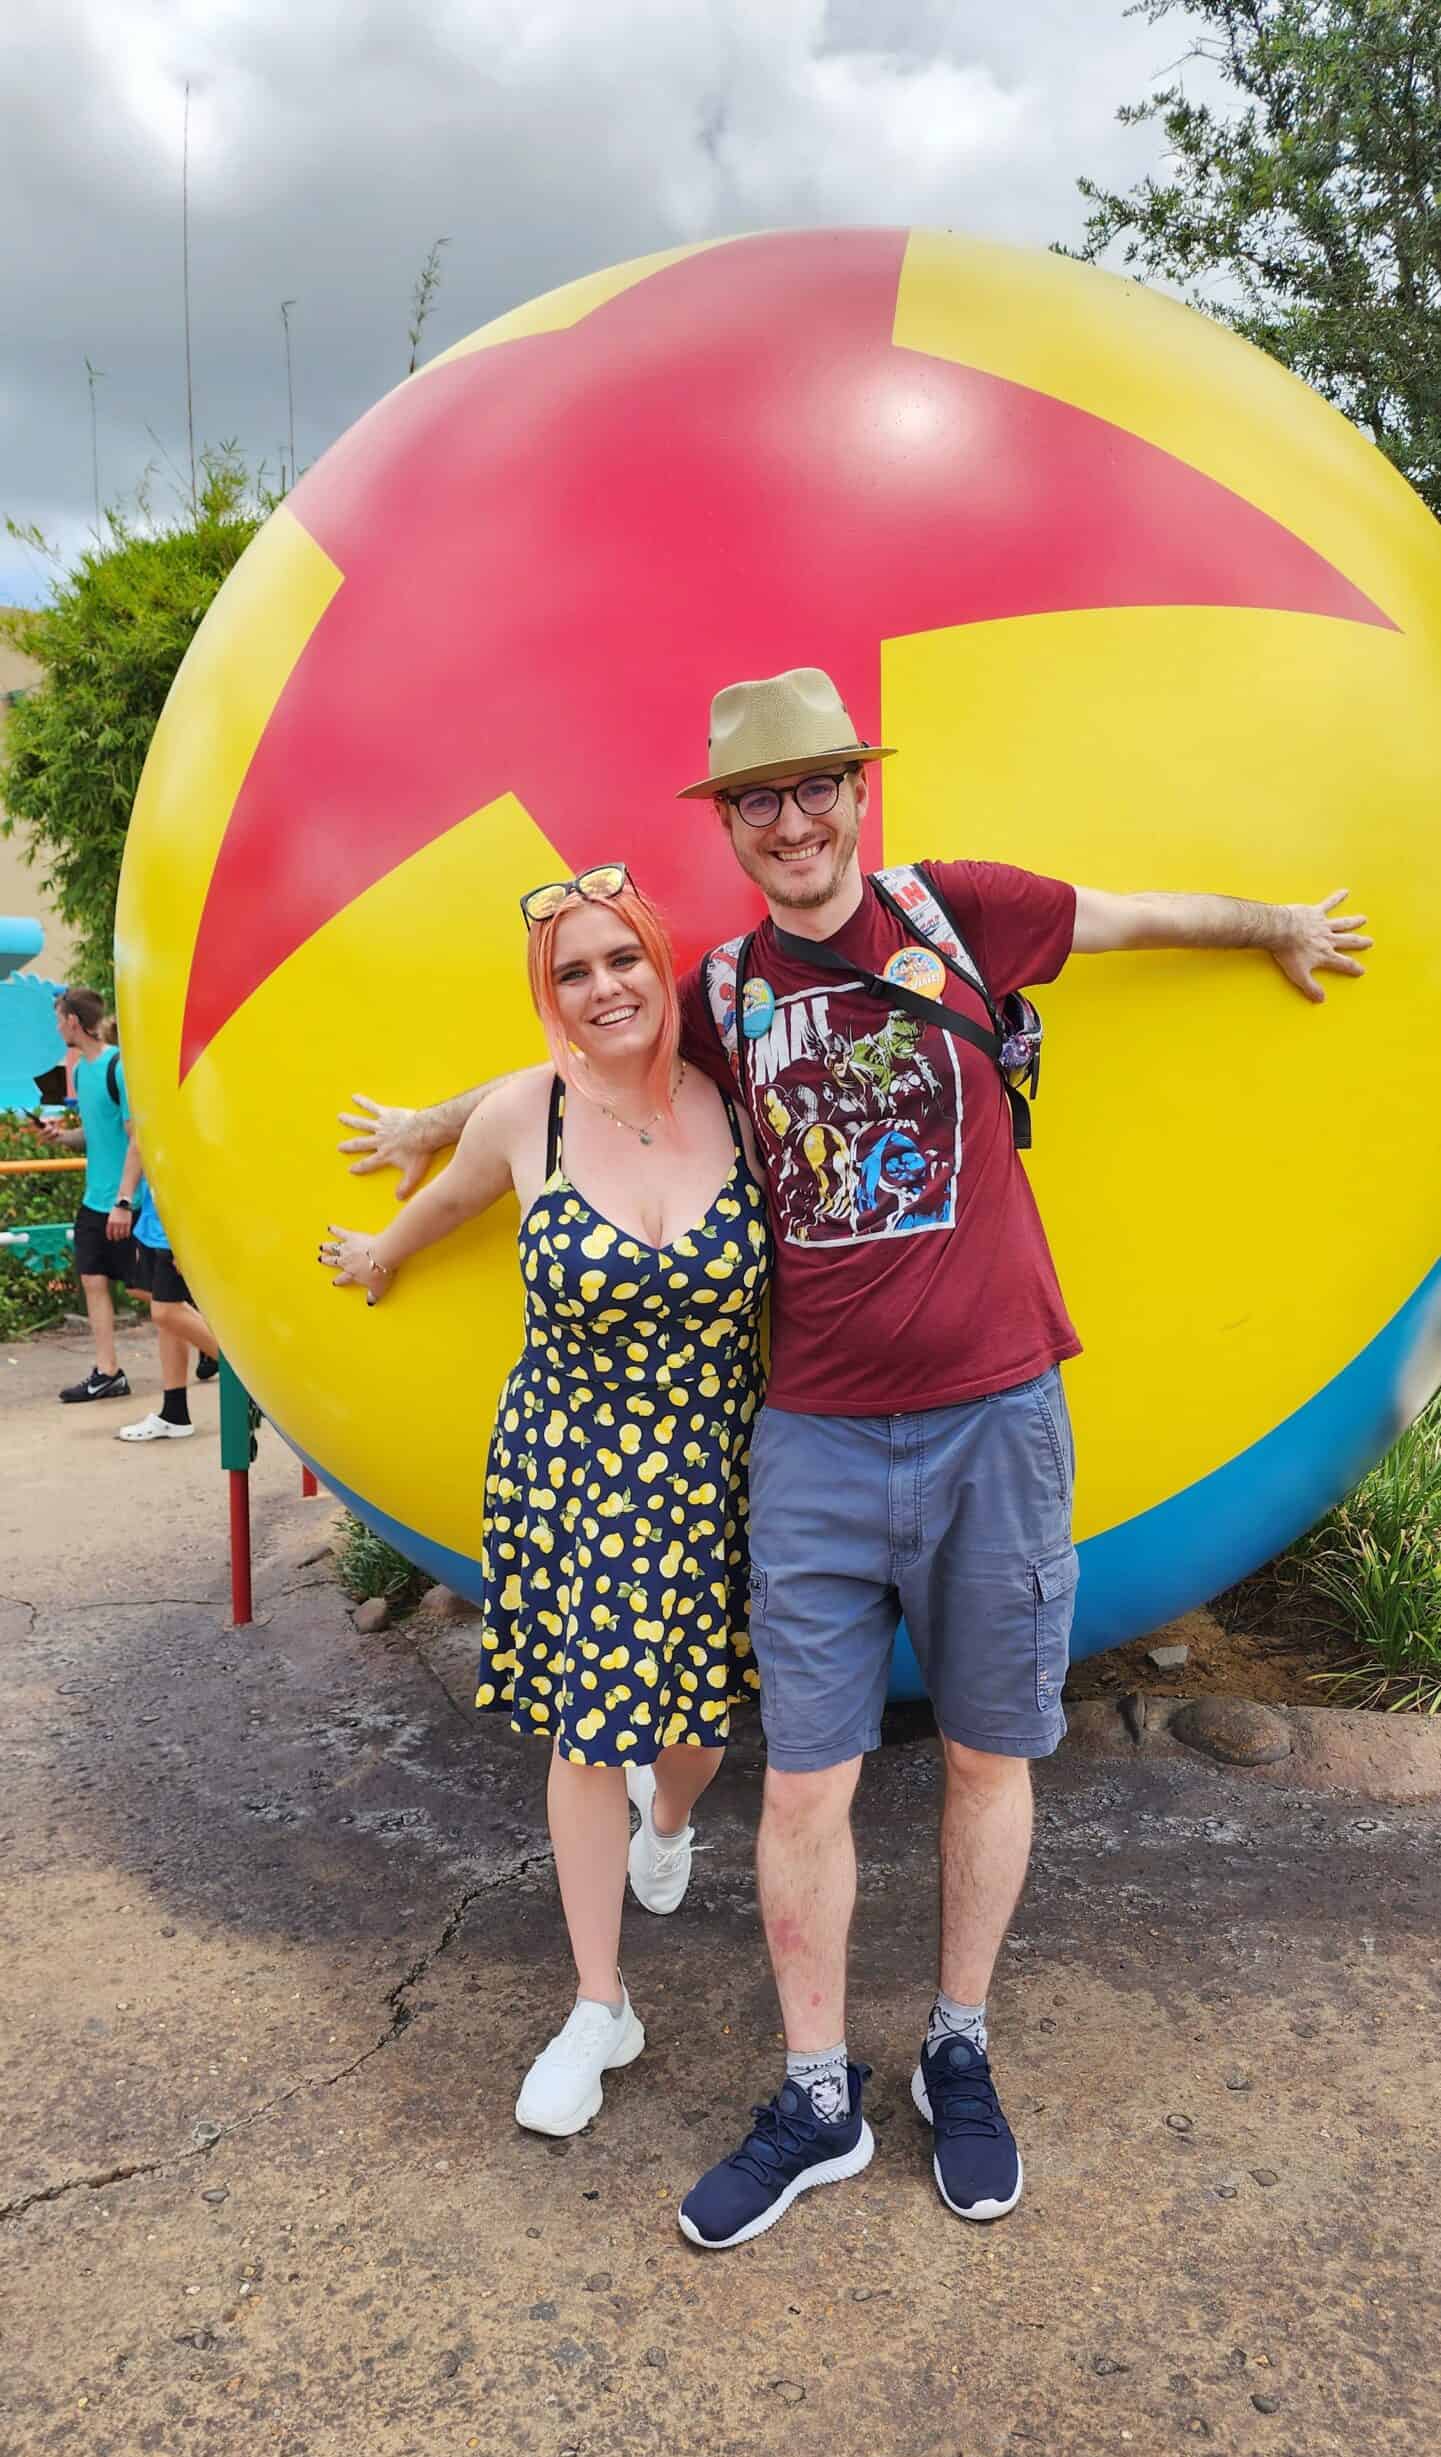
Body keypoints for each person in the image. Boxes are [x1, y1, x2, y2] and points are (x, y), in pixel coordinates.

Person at [338, 667, 1370, 2248]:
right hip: (810, 1438)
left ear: (856, 793)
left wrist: (1273, 925)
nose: (794, 819)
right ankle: (817, 2095)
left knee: (983, 1752)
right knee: (805, 1779)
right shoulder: (731, 989)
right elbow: (586, 1080)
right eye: (760, 799)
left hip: (998, 1414)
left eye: (817, 785)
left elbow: (1130, 915)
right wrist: (427, 1126)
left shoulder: (955, 911)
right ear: (733, 829)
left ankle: (959, 2049)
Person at [320, 869, 770, 2138]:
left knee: (698, 1728)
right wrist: (380, 1250)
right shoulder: (529, 1112)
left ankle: (668, 1815)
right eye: (571, 972)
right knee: (585, 1732)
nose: (603, 987)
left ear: (660, 965)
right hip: (567, 1467)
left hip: (715, 1471)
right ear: (547, 997)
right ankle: (597, 2006)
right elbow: (454, 1199)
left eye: (621, 959)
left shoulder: (736, 1105)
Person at [54, 988, 136, 1405]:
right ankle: (108, 1372)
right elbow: (95, 1131)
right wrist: (61, 1136)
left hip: (126, 1201)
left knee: (151, 1294)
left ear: (72, 1021)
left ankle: (220, 1357)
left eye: (59, 1018)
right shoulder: (83, 1072)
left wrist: (124, 1200)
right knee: (92, 1279)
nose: (57, 1026)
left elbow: (134, 1136)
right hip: (94, 1200)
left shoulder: (116, 1067)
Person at [114, 1164, 222, 1443]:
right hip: (157, 1217)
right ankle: (174, 1414)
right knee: (166, 1319)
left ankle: (256, 1382)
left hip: (176, 1222)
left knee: (166, 1311)